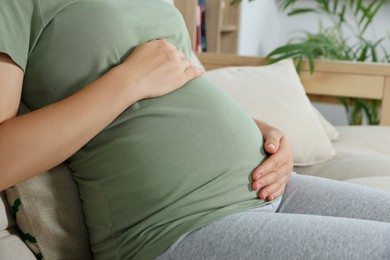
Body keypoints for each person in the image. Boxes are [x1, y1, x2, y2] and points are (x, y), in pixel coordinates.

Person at [0, 1, 389, 259]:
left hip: (267, 187)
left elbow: (180, 86)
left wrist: (264, 132)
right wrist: (126, 82)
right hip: (178, 226)